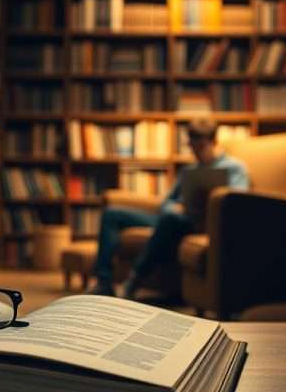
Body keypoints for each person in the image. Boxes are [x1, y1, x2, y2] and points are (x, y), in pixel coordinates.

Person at [86, 118, 249, 298]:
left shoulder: (235, 168)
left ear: (213, 142)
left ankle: (133, 280)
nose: (197, 153)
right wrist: (175, 207)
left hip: (200, 223)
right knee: (111, 214)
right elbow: (166, 202)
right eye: (193, 148)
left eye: (201, 147)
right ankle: (104, 282)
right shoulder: (189, 170)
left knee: (169, 220)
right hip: (173, 218)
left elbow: (235, 202)